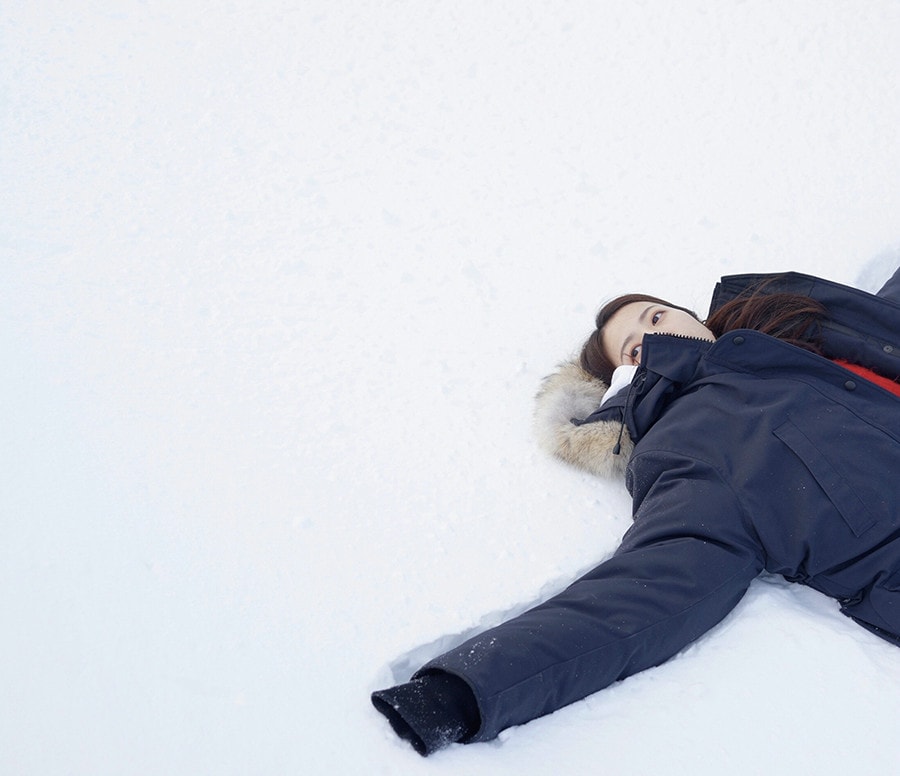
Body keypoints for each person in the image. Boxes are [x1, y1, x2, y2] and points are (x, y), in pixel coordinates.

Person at [371, 268, 900, 756]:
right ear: (625, 381)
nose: (655, 335)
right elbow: (650, 587)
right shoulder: (691, 442)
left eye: (656, 315)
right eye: (633, 348)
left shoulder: (789, 328)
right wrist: (461, 693)